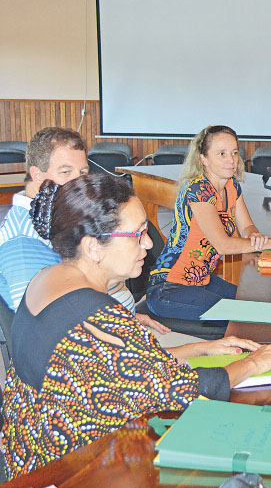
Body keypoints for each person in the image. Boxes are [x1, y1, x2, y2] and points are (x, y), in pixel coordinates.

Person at [0, 174, 271, 480]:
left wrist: (200, 348)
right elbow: (179, 391)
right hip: (71, 474)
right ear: (93, 247)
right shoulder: (95, 316)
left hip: (32, 456)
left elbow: (120, 368)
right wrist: (252, 364)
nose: (149, 243)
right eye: (138, 234)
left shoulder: (48, 278)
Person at [0, 127, 167, 333]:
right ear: (37, 175)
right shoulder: (23, 241)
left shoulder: (61, 215)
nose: (78, 181)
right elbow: (48, 326)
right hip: (101, 339)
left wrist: (130, 317)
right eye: (65, 172)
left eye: (83, 172)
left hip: (121, 323)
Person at [146, 125, 271, 321]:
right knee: (242, 317)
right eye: (222, 154)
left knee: (254, 303)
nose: (231, 160)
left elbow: (246, 226)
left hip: (202, 280)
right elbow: (222, 245)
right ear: (203, 159)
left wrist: (255, 235)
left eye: (234, 153)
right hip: (169, 288)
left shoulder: (231, 185)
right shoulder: (198, 190)